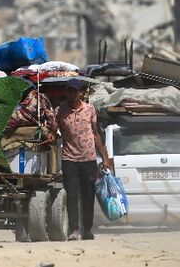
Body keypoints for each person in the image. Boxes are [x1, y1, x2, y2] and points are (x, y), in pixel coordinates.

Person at [55, 79, 112, 241]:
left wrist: (105, 158)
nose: (72, 94)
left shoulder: (89, 109)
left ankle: (87, 229)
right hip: (69, 159)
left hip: (88, 159)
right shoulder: (60, 111)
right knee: (72, 195)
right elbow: (53, 131)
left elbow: (95, 134)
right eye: (69, 91)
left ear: (81, 93)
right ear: (66, 92)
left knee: (88, 196)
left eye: (75, 91)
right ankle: (74, 229)